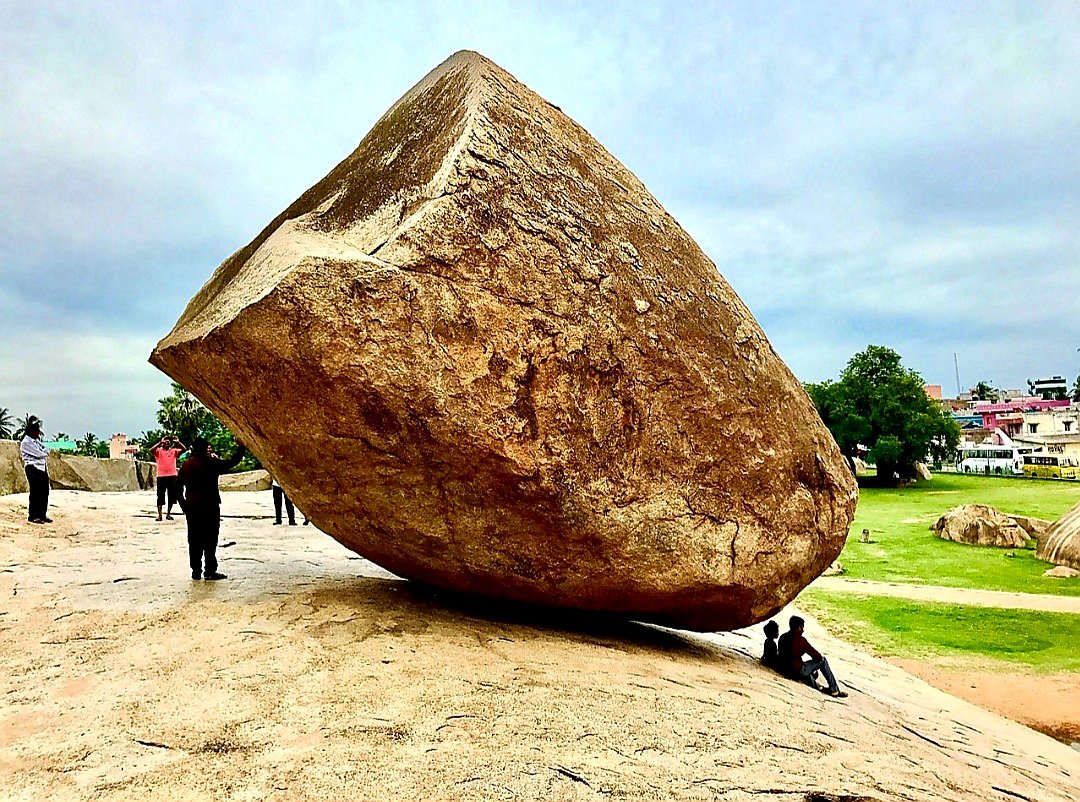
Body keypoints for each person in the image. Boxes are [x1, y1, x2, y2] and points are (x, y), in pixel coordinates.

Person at [175, 437, 246, 580]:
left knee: (194, 540)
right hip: (210, 506)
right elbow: (232, 462)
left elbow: (177, 487)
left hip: (193, 507)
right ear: (205, 449)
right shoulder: (212, 463)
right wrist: (241, 447)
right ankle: (209, 570)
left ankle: (196, 571)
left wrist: (184, 505)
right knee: (210, 539)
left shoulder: (187, 465)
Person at [777, 615, 848, 698]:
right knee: (823, 661)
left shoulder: (783, 637)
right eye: (802, 627)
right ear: (799, 628)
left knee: (807, 672)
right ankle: (834, 690)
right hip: (797, 670)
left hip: (785, 669)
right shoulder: (800, 640)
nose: (803, 630)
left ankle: (821, 688)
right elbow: (817, 656)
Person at [19, 416, 52, 524]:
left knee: (44, 491)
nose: (38, 434)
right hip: (33, 467)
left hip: (41, 467)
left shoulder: (36, 441)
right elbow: (40, 453)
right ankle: (33, 515)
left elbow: (46, 449)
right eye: (37, 431)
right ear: (32, 432)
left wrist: (45, 452)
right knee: (35, 492)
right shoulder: (26, 442)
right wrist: (44, 453)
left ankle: (42, 514)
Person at [149, 435, 186, 521]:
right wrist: (159, 443)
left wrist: (178, 442)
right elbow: (151, 450)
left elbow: (184, 449)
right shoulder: (158, 451)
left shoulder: (174, 451)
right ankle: (160, 515)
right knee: (160, 496)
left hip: (172, 476)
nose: (167, 442)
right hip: (161, 476)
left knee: (171, 496)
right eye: (165, 441)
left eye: (168, 441)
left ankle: (168, 514)